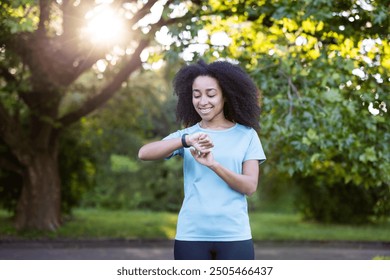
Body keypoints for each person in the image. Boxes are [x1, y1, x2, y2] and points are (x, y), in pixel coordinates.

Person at [138, 60, 266, 260]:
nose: (202, 101)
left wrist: (214, 165)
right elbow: (144, 153)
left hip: (234, 235)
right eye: (196, 95)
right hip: (191, 235)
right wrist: (185, 141)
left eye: (211, 94)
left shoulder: (246, 135)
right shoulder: (188, 135)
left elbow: (249, 186)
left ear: (225, 95)